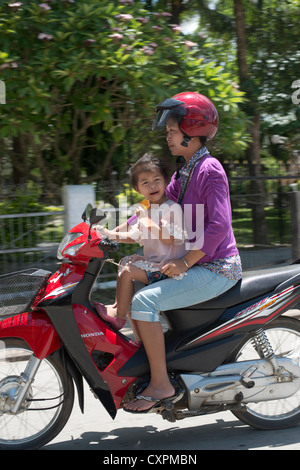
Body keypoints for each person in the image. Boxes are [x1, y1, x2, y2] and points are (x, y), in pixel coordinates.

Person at [122, 91, 242, 413]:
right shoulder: (183, 172)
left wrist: (184, 261)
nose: (168, 137)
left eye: (172, 131)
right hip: (197, 265)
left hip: (217, 267)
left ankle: (161, 384)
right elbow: (153, 207)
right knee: (132, 271)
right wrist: (113, 231)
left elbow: (218, 226)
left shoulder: (209, 169)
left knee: (144, 300)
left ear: (192, 131)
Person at [95, 153, 187, 334]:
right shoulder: (147, 210)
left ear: (166, 181)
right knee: (124, 263)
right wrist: (107, 234)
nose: (152, 185)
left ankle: (118, 315)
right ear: (137, 189)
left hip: (167, 270)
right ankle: (132, 331)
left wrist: (145, 219)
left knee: (129, 271)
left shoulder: (172, 208)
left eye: (156, 180)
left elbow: (170, 238)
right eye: (145, 182)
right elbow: (135, 235)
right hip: (153, 265)